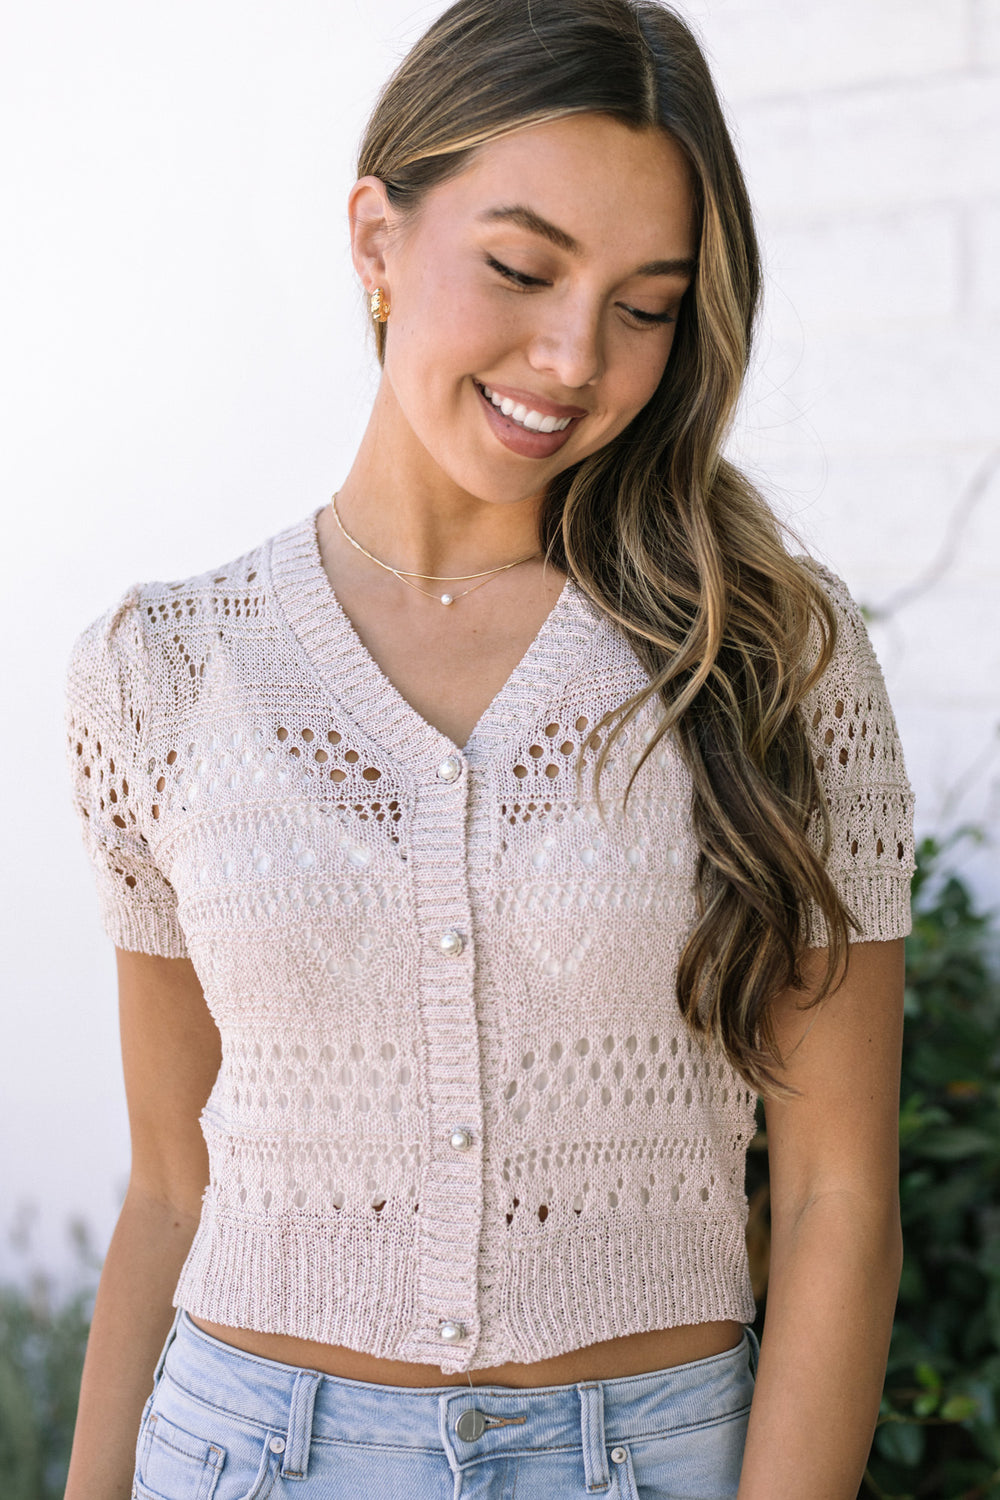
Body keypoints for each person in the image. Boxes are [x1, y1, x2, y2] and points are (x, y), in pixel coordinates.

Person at [62, 1, 915, 1496]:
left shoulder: (776, 658)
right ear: (377, 243)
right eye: (521, 270)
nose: (575, 356)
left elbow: (839, 1193)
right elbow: (168, 1185)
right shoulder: (163, 669)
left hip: (643, 1459)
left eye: (646, 305)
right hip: (243, 1452)